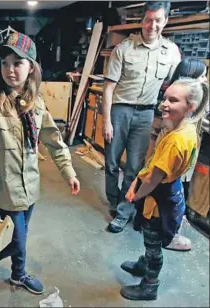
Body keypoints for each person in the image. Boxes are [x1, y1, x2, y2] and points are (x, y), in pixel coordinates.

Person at [0, 32, 80, 295]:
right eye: (4, 63)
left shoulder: (36, 104)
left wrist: (69, 172)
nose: (9, 70)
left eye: (17, 63)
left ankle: (17, 275)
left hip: (30, 186)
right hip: (5, 190)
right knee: (16, 240)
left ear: (31, 67)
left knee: (21, 235)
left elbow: (54, 140)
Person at [119, 78, 209, 301]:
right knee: (152, 240)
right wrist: (137, 182)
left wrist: (135, 194)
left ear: (191, 107)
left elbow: (153, 180)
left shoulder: (176, 141)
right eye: (165, 98)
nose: (164, 104)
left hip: (159, 201)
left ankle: (150, 285)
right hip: (169, 193)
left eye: (173, 100)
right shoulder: (185, 129)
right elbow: (153, 169)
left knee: (153, 245)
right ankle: (144, 264)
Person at [102, 1, 181, 233]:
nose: (152, 25)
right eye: (148, 20)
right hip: (119, 110)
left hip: (146, 113)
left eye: (157, 20)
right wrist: (106, 120)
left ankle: (125, 210)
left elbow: (177, 85)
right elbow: (108, 88)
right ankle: (114, 201)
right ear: (142, 20)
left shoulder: (171, 52)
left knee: (135, 166)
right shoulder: (124, 49)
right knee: (112, 161)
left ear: (165, 21)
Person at [152, 58, 208, 251]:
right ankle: (166, 235)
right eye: (202, 75)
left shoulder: (182, 120)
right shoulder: (179, 126)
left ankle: (162, 232)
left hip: (173, 168)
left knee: (167, 201)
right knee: (169, 200)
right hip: (173, 171)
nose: (205, 79)